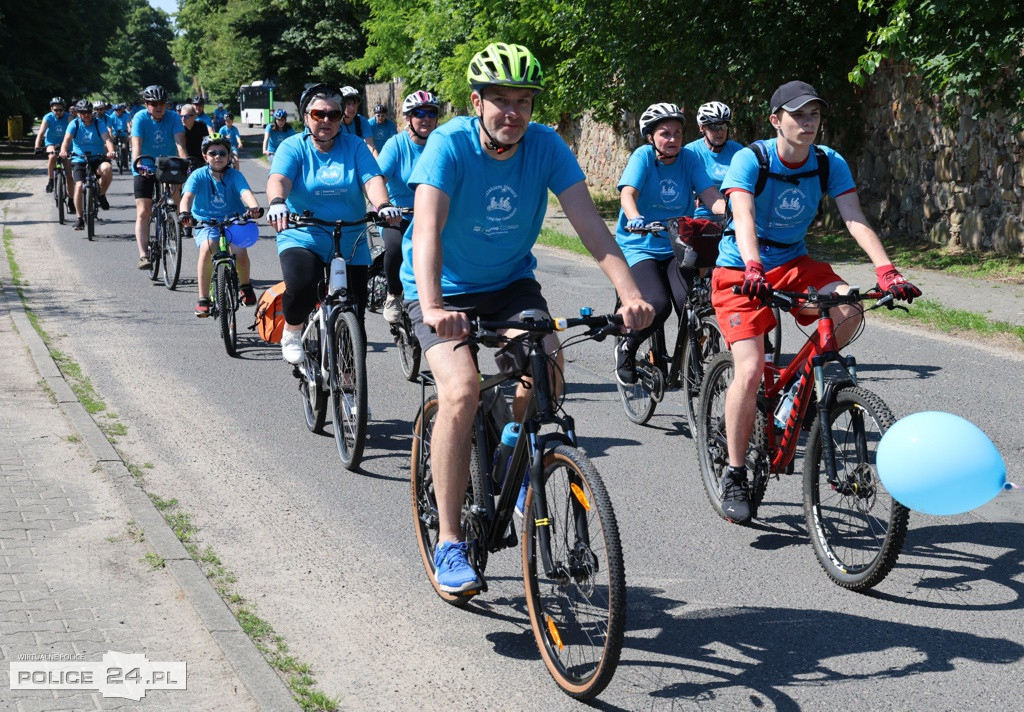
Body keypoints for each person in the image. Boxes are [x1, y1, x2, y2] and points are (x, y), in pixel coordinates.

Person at [403, 42, 654, 593]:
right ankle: (449, 543)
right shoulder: (447, 144)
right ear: (477, 102)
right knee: (462, 390)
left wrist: (630, 293)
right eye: (500, 100)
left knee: (546, 369)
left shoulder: (544, 146)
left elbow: (588, 223)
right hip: (439, 285)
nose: (513, 112)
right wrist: (436, 307)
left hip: (510, 282)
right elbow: (425, 231)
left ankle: (516, 454)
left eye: (524, 101)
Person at [712, 80, 921, 523]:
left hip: (794, 261)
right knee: (748, 371)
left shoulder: (828, 162)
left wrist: (886, 270)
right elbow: (743, 216)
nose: (807, 124)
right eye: (797, 116)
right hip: (739, 270)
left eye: (813, 116)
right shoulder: (752, 159)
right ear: (776, 120)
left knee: (848, 305)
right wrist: (751, 267)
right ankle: (734, 471)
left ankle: (797, 391)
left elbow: (853, 217)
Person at [266, 83, 401, 365]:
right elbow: (279, 179)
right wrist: (278, 201)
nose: (326, 120)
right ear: (306, 116)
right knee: (303, 286)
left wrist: (383, 205)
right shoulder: (294, 146)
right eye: (318, 114)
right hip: (305, 234)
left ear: (342, 118)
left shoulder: (354, 146)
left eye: (334, 114)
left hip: (350, 237)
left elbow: (371, 179)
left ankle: (350, 383)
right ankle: (292, 330)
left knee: (356, 311)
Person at [612, 102, 726, 385]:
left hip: (678, 244)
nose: (673, 139)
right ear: (651, 137)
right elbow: (628, 194)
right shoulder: (643, 157)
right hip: (640, 244)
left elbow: (709, 194)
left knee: (690, 302)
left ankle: (694, 363)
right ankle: (627, 347)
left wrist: (732, 213)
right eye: (665, 133)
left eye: (677, 133)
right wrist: (635, 216)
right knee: (658, 305)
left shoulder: (689, 159)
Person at [179, 136, 263, 317]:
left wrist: (253, 207)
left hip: (233, 219)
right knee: (208, 248)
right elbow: (186, 197)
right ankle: (203, 299)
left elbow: (245, 192)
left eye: (222, 153)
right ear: (205, 156)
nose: (217, 157)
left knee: (240, 250)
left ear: (229, 156)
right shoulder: (198, 175)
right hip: (205, 221)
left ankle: (245, 286)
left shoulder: (235, 175)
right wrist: (185, 213)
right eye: (212, 153)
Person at [376, 90, 439, 323]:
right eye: (419, 113)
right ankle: (393, 294)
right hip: (398, 214)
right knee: (395, 247)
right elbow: (378, 179)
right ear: (408, 119)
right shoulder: (396, 144)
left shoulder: (441, 144)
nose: (426, 118)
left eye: (431, 113)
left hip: (433, 214)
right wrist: (384, 205)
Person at [131, 85, 188, 269]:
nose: (158, 106)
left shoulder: (173, 118)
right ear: (146, 104)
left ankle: (174, 224)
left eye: (162, 103)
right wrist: (138, 165)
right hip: (145, 166)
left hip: (168, 165)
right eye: (154, 103)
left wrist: (185, 164)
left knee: (176, 195)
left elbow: (180, 144)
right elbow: (136, 145)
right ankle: (143, 255)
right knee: (143, 211)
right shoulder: (140, 118)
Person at [60, 99, 115, 230]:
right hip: (79, 159)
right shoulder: (74, 124)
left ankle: (101, 195)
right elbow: (67, 140)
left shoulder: (98, 123)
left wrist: (111, 150)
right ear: (78, 113)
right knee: (78, 186)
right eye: (83, 112)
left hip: (97, 158)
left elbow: (107, 138)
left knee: (107, 168)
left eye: (89, 112)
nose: (86, 115)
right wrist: (63, 151)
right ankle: (79, 219)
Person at [686, 101, 744, 220]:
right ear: (701, 127)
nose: (720, 131)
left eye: (723, 126)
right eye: (714, 127)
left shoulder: (738, 150)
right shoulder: (690, 151)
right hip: (701, 216)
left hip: (733, 215)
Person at [34, 97, 72, 198]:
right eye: (56, 110)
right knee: (52, 156)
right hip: (51, 142)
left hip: (66, 144)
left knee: (69, 172)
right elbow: (41, 133)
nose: (58, 112)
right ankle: (51, 180)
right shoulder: (48, 117)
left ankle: (71, 199)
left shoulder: (69, 117)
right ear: (51, 109)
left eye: (61, 110)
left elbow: (75, 133)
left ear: (64, 109)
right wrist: (37, 147)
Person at [338, 86, 376, 157]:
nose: (352, 107)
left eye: (354, 103)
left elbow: (371, 147)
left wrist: (378, 166)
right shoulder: (334, 123)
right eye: (348, 104)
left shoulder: (361, 121)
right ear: (341, 105)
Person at [177, 104, 208, 170]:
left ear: (194, 116)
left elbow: (206, 143)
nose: (183, 119)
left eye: (186, 116)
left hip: (201, 159)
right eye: (181, 116)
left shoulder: (201, 126)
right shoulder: (179, 129)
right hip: (186, 159)